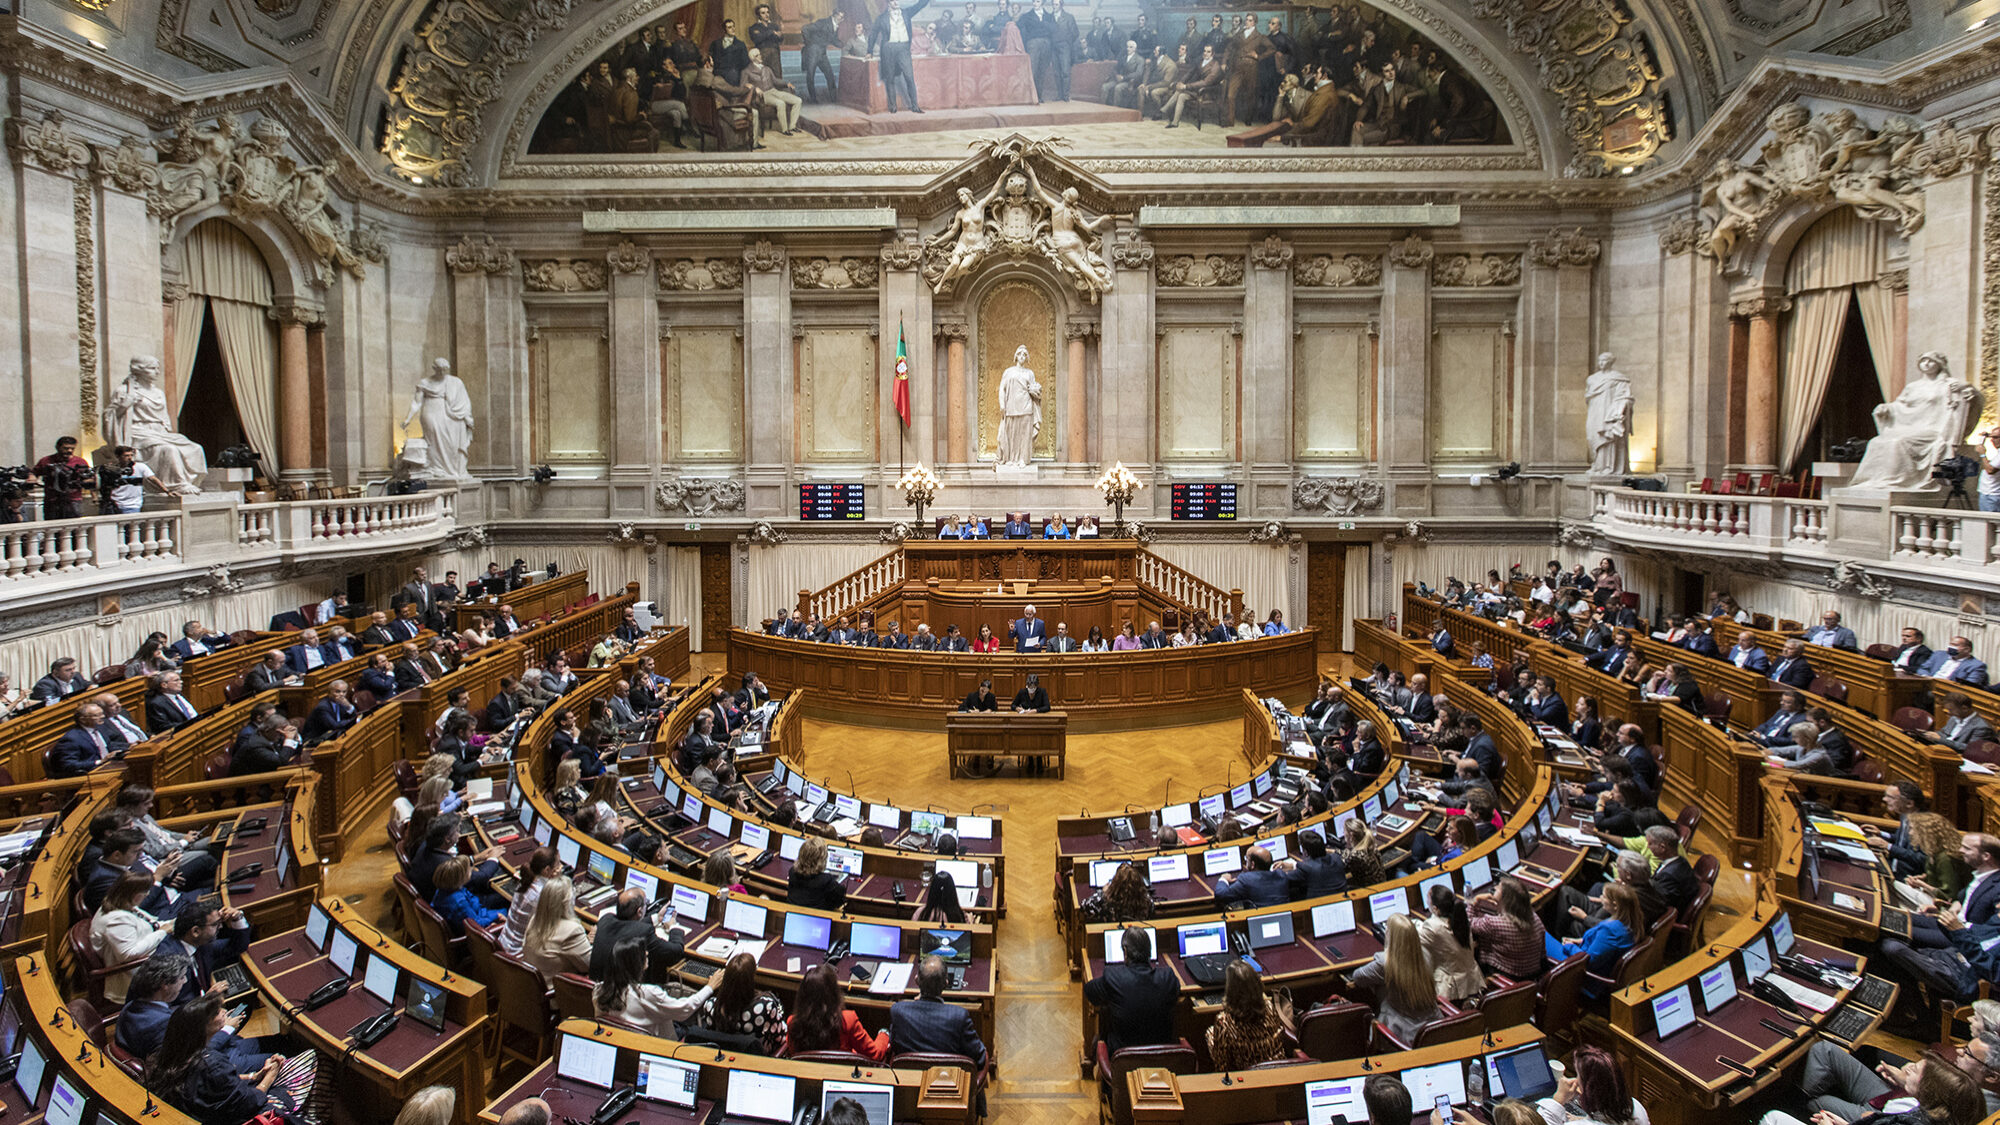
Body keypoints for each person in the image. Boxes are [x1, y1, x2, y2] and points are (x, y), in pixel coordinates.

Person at [145, 995, 307, 1124]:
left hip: (202, 1113)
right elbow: (249, 1103)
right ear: (203, 1028)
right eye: (216, 1012)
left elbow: (213, 1084)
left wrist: (254, 1076)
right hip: (236, 1117)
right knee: (312, 1059)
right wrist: (269, 1077)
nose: (223, 1011)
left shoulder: (166, 1053)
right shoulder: (211, 1063)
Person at [596, 937, 721, 1037]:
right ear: (634, 964)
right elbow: (685, 1009)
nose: (647, 952)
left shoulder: (598, 991)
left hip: (621, 1039)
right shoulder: (647, 993)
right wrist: (710, 987)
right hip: (658, 1044)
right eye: (642, 953)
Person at [1083, 924, 1178, 1053]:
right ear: (1150, 951)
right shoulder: (1168, 977)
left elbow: (1089, 991)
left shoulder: (1113, 977)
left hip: (1124, 1057)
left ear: (1125, 952)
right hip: (1161, 1055)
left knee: (1098, 1039)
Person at [1352, 914, 1440, 1041]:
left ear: (1390, 936)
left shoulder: (1385, 962)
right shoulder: (1426, 955)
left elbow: (1357, 978)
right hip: (1434, 1027)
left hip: (1402, 1031)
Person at [1547, 882, 1639, 1000]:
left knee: (1541, 933)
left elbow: (1588, 962)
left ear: (1615, 905)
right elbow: (1601, 945)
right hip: (1583, 956)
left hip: (1581, 973)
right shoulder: (1631, 921)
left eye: (1604, 896)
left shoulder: (1610, 931)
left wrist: (1569, 946)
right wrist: (1578, 941)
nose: (1600, 898)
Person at [91, 872, 174, 1003]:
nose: (147, 894)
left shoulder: (123, 904)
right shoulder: (115, 920)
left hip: (149, 955)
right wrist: (162, 932)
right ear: (134, 895)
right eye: (145, 891)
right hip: (133, 974)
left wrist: (176, 922)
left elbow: (152, 923)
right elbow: (128, 954)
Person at [890, 954, 987, 1064]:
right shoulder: (959, 1016)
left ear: (916, 980)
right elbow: (979, 1056)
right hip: (947, 1077)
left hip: (910, 1075)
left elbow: (894, 1045)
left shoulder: (898, 1011)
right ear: (946, 983)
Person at [786, 962, 891, 1059]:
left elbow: (794, 1054)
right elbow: (875, 1054)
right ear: (834, 993)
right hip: (841, 1075)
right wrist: (884, 1034)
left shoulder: (792, 1023)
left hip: (808, 1075)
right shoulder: (847, 1020)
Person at [694, 951, 788, 1054]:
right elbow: (781, 1038)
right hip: (756, 1061)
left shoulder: (710, 1006)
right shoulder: (766, 1007)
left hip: (722, 1057)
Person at [1539, 1045, 1650, 1125]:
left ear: (1589, 1089)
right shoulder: (1637, 1107)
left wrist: (1558, 1100)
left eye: (1578, 1076)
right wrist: (1583, 1119)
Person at [590, 889, 685, 981]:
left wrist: (657, 918)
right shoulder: (644, 932)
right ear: (639, 911)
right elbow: (675, 952)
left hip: (597, 986)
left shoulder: (605, 919)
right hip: (624, 992)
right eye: (646, 903)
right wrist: (673, 926)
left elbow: (627, 926)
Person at [1470, 877, 1547, 979]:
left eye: (1497, 889)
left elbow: (1468, 922)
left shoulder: (1494, 923)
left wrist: (1474, 901)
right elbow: (1542, 955)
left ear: (1505, 899)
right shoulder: (1535, 917)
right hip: (1534, 975)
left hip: (1506, 977)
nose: (1495, 888)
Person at [870, 0, 933, 112]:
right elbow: (873, 33)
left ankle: (915, 106)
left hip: (904, 49)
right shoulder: (881, 18)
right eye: (893, 0)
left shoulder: (907, 13)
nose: (896, 2)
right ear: (888, 2)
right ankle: (893, 107)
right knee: (890, 79)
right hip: (888, 49)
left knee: (909, 77)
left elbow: (920, 5)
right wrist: (869, 51)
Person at [1214, 845, 1289, 909]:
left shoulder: (1246, 880)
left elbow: (1221, 895)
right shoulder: (1281, 875)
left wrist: (1223, 879)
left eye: (1247, 859)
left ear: (1252, 864)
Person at [788, 837, 849, 912]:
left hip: (793, 913)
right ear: (821, 860)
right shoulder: (826, 881)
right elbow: (840, 898)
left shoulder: (792, 872)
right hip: (816, 918)